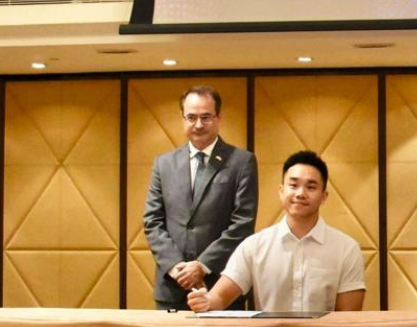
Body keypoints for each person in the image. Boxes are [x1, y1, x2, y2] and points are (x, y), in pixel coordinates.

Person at [187, 150, 366, 313]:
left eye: (311, 187)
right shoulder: (254, 246)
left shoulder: (346, 249)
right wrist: (206, 301)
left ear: (324, 197)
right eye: (293, 185)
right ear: (281, 191)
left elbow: (348, 318)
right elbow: (219, 297)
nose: (300, 193)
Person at [143, 85, 258, 309]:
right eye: (191, 117)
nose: (198, 124)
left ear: (218, 117)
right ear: (182, 119)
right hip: (172, 287)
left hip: (221, 288)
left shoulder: (241, 162)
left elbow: (242, 224)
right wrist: (177, 267)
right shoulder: (163, 164)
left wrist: (202, 265)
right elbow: (152, 221)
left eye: (206, 117)